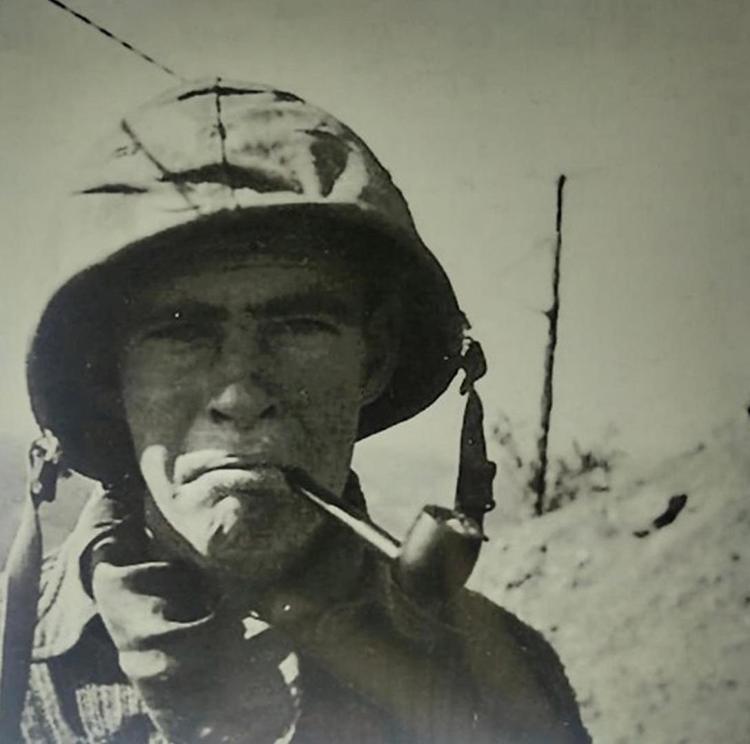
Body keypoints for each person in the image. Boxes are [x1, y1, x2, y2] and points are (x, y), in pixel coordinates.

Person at [1, 79, 590, 743]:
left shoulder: (504, 677)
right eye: (180, 333)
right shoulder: (13, 665)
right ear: (109, 375)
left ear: (373, 361)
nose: (240, 398)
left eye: (298, 327)